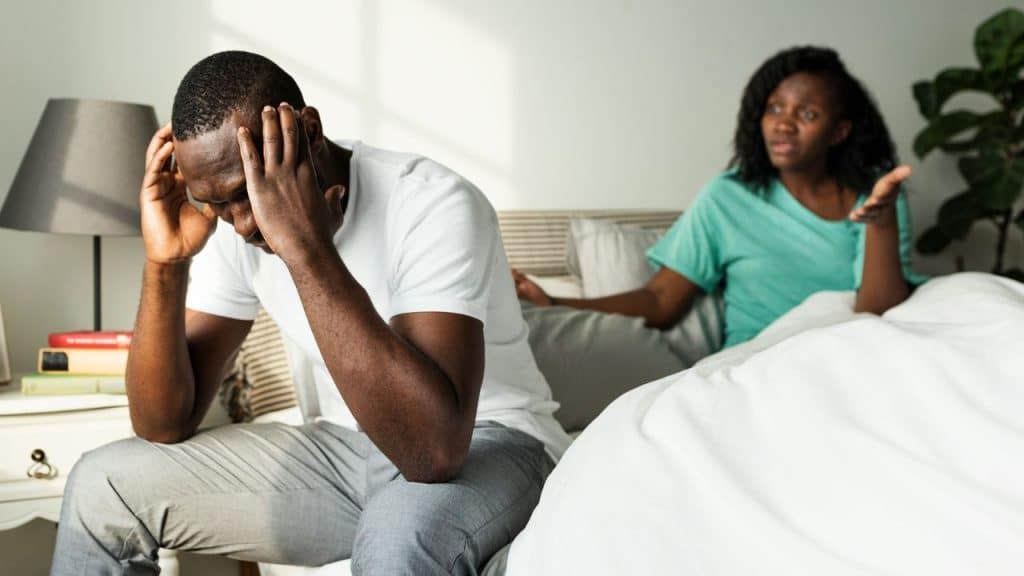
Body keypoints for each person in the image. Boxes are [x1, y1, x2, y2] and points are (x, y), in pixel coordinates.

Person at [50, 50, 570, 576]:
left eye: (246, 192)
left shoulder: (432, 202)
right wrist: (166, 263)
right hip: (343, 453)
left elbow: (433, 452)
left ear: (309, 130)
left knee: (398, 533)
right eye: (216, 205)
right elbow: (163, 422)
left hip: (494, 440)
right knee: (102, 486)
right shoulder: (232, 227)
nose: (242, 223)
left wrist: (306, 246)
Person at [515, 46, 926, 349]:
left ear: (839, 132)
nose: (783, 124)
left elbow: (878, 310)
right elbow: (661, 300)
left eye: (807, 114)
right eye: (774, 108)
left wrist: (882, 223)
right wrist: (554, 301)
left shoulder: (877, 194)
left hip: (857, 353)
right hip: (766, 361)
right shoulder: (728, 197)